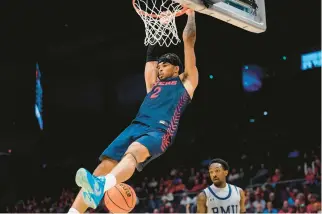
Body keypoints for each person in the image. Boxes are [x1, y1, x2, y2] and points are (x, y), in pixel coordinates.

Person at [68, 9, 198, 213]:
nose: (159, 68)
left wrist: (191, 14)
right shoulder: (153, 85)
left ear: (176, 69)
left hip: (159, 131)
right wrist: (162, 24)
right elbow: (151, 55)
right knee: (104, 165)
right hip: (135, 126)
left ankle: (103, 185)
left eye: (164, 66)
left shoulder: (186, 82)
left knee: (132, 155)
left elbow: (189, 41)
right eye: (160, 66)